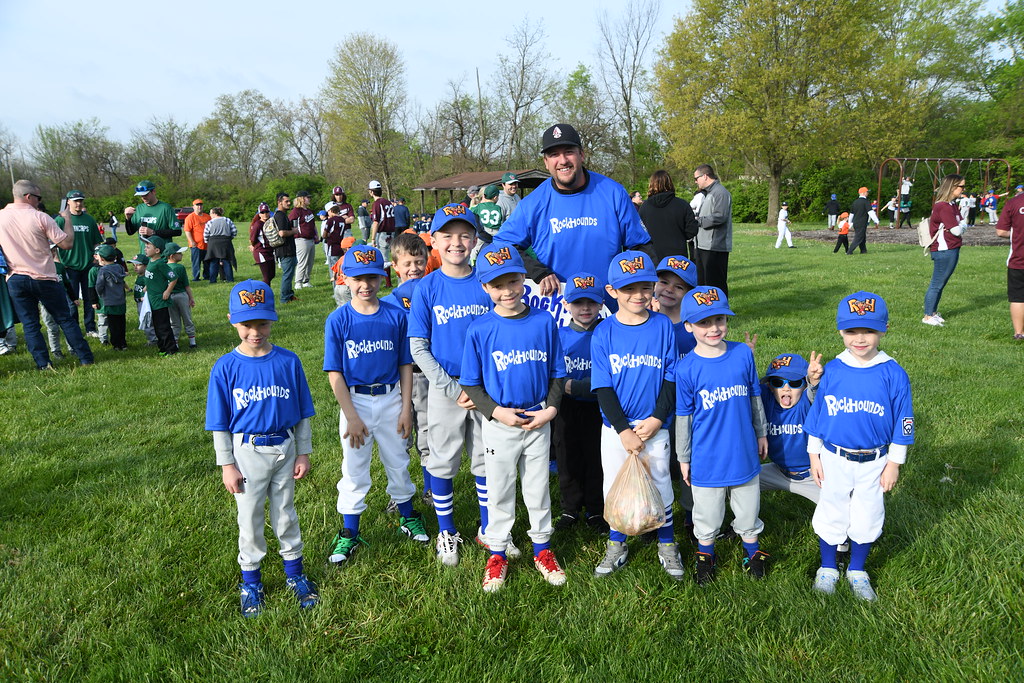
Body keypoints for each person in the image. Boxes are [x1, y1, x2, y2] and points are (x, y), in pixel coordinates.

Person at [205, 278, 319, 617]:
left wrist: (303, 450)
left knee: (285, 512)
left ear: (272, 320)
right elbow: (219, 423)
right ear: (232, 320)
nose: (255, 331)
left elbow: (302, 412)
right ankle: (251, 580)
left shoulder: (288, 361)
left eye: (262, 322)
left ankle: (295, 574)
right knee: (250, 517)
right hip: (247, 451)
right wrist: (226, 463)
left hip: (284, 445)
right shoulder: (226, 367)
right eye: (246, 323)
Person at [460, 243, 567, 592]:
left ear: (525, 279)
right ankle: (498, 552)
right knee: (500, 489)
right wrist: (496, 412)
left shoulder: (542, 321)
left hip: (538, 417)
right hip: (500, 422)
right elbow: (471, 384)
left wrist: (550, 409)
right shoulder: (480, 328)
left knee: (537, 488)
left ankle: (542, 549)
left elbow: (556, 372)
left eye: (513, 281)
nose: (507, 290)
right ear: (485, 288)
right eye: (497, 284)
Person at [324, 245, 429, 566]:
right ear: (345, 279)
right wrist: (351, 416)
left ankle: (407, 516)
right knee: (354, 469)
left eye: (371, 277)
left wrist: (405, 408)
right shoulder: (339, 319)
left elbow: (405, 365)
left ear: (383, 278)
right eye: (357, 278)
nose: (365, 284)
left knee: (398, 460)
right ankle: (348, 531)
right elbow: (335, 373)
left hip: (391, 398)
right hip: (355, 400)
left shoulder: (396, 315)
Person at [804, 291, 914, 601]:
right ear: (840, 330)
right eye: (852, 330)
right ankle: (827, 567)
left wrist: (894, 463)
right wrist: (814, 454)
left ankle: (857, 569)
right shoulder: (834, 370)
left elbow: (903, 422)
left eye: (868, 330)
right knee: (831, 509)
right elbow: (819, 414)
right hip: (834, 455)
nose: (860, 338)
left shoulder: (893, 373)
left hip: (875, 460)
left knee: (867, 515)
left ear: (884, 329)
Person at [407, 204, 494, 567]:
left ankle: (490, 529)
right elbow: (418, 347)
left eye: (464, 234)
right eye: (447, 235)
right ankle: (447, 531)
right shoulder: (426, 287)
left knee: (487, 461)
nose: (456, 242)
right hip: (446, 387)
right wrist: (450, 388)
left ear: (475, 239)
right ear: (433, 241)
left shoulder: (489, 282)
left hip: (487, 387)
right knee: (443, 460)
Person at [590, 250, 682, 580]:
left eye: (645, 287)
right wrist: (623, 430)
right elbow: (602, 387)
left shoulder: (661, 326)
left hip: (654, 425)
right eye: (628, 289)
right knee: (615, 486)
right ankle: (617, 544)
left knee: (660, 484)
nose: (639, 295)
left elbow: (671, 376)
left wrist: (658, 418)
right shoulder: (604, 332)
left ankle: (667, 545)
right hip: (615, 428)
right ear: (612, 291)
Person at [674, 286, 769, 584]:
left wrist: (761, 432)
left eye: (719, 319)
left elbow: (755, 394)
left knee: (747, 506)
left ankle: (751, 551)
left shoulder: (742, 354)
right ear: (688, 326)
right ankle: (706, 555)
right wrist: (684, 456)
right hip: (707, 455)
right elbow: (683, 416)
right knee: (707, 513)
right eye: (703, 322)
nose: (713, 328)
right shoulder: (687, 367)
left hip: (742, 449)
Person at [496, 123, 654, 299]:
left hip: (608, 309)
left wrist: (648, 290)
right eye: (554, 154)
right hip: (559, 310)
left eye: (569, 151)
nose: (563, 160)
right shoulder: (533, 203)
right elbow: (503, 245)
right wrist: (538, 273)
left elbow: (641, 246)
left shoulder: (613, 193)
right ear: (546, 162)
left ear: (582, 155)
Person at [0, 180, 94, 369]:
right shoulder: (40, 217)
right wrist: (66, 218)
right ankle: (85, 358)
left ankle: (43, 364)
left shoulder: (1, 216)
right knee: (64, 318)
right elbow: (66, 244)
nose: (39, 201)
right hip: (44, 277)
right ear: (28, 197)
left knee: (30, 324)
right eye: (38, 197)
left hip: (16, 278)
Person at [551, 272, 607, 533]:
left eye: (591, 303)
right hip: (567, 406)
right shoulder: (558, 335)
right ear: (566, 305)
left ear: (601, 304)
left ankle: (596, 509)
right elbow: (550, 372)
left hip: (599, 406)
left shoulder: (607, 333)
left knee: (597, 457)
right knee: (567, 456)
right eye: (577, 303)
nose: (585, 309)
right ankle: (570, 508)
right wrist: (565, 387)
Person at [380, 232, 433, 506]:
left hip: (425, 378)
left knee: (426, 432)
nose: (414, 268)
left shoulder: (433, 294)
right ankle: (399, 493)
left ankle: (430, 489)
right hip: (398, 378)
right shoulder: (388, 304)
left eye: (419, 261)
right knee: (398, 436)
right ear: (395, 265)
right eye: (408, 263)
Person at [758, 353, 824, 503]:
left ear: (804, 385)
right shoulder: (767, 400)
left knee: (842, 515)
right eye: (777, 382)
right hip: (778, 471)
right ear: (769, 386)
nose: (786, 388)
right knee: (740, 483)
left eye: (794, 383)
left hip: (814, 476)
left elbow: (816, 394)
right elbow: (747, 389)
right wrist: (745, 363)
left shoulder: (807, 403)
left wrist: (814, 380)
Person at [922, 174, 969, 327]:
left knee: (941, 283)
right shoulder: (943, 206)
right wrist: (962, 226)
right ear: (952, 186)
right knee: (937, 283)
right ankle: (928, 316)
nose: (963, 189)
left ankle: (933, 313)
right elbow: (957, 229)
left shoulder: (952, 204)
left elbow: (962, 223)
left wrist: (962, 226)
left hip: (951, 248)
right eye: (961, 186)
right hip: (944, 249)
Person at [56, 190, 103, 338]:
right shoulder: (61, 220)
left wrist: (96, 257)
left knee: (89, 297)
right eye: (75, 200)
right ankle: (74, 328)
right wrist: (59, 262)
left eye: (81, 200)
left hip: (88, 265)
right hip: (69, 266)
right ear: (68, 201)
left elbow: (96, 241)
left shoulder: (89, 220)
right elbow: (53, 243)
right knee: (71, 299)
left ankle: (90, 327)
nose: (78, 203)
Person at [638, 170, 699, 261]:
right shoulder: (682, 205)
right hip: (677, 257)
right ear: (670, 183)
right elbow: (692, 230)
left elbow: (640, 233)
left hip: (653, 257)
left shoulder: (644, 208)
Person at [693, 164, 733, 295]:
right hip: (703, 246)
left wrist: (698, 221)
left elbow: (720, 217)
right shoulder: (708, 193)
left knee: (716, 285)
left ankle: (720, 314)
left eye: (696, 178)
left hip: (714, 247)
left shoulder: (720, 193)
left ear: (705, 176)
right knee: (703, 284)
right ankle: (706, 314)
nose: (695, 181)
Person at [994, 186, 1024, 339]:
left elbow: (1000, 231)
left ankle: (1019, 333)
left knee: (1018, 297)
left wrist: (1016, 234)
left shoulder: (1014, 202)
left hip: (1019, 258)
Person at [142, 236, 179, 356]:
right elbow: (151, 277)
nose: (145, 249)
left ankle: (171, 349)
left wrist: (167, 291)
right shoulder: (150, 262)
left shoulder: (160, 264)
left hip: (160, 301)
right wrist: (147, 286)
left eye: (148, 247)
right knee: (157, 326)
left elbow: (173, 277)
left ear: (157, 250)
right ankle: (162, 347)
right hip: (152, 300)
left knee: (163, 326)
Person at [123, 180, 181, 252]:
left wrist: (153, 232)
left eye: (146, 194)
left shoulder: (166, 208)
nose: (143, 197)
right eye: (141, 195)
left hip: (162, 254)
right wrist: (128, 219)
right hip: (145, 254)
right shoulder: (139, 208)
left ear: (153, 192)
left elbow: (177, 231)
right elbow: (130, 232)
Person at [91, 244, 128, 351]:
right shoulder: (120, 267)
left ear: (101, 259)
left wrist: (100, 294)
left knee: (113, 325)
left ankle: (116, 345)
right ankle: (123, 343)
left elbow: (99, 286)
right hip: (121, 301)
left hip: (109, 301)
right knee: (121, 323)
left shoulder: (103, 271)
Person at [165, 244, 197, 348]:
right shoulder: (180, 267)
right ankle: (192, 342)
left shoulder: (164, 267)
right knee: (187, 318)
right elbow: (186, 286)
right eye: (179, 253)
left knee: (174, 321)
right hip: (182, 296)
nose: (182, 255)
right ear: (172, 256)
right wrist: (191, 298)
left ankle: (176, 342)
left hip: (169, 297)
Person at [272, 193, 298, 303]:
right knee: (287, 275)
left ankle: (289, 295)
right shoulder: (280, 215)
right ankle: (284, 298)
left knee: (289, 274)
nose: (289, 203)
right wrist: (294, 231)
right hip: (285, 250)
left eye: (289, 201)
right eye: (286, 201)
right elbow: (282, 233)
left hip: (288, 249)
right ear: (279, 202)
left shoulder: (282, 215)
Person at [289, 191, 317, 289]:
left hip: (310, 239)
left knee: (310, 261)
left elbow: (312, 225)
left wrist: (316, 235)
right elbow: (292, 225)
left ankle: (306, 280)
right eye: (307, 197)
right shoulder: (296, 211)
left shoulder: (309, 211)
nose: (309, 199)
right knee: (302, 262)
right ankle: (298, 282)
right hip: (301, 239)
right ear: (301, 199)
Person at [127, 254, 157, 345]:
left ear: (146, 266)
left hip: (145, 302)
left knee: (148, 321)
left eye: (138, 265)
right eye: (133, 265)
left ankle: (153, 340)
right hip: (139, 302)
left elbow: (152, 287)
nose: (135, 267)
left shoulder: (146, 277)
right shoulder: (140, 276)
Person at [204, 207, 237, 284]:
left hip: (213, 243)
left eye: (210, 213)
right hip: (225, 242)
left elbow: (206, 234)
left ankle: (212, 280)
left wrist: (207, 242)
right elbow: (234, 231)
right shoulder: (227, 220)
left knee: (213, 262)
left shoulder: (210, 222)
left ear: (214, 213)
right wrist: (229, 238)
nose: (210, 215)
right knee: (227, 261)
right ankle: (230, 279)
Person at [183, 199, 211, 282]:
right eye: (197, 205)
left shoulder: (207, 216)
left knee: (207, 262)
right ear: (193, 207)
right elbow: (187, 231)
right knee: (196, 262)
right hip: (196, 245)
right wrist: (191, 241)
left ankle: (207, 276)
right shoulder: (190, 217)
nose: (199, 207)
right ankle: (196, 277)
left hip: (207, 244)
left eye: (201, 205)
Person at [249, 203, 275, 285]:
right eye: (262, 212)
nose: (265, 214)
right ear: (259, 214)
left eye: (267, 212)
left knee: (272, 275)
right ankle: (263, 294)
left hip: (270, 251)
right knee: (267, 276)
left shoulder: (271, 222)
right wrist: (254, 246)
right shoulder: (257, 224)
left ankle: (263, 292)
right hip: (261, 252)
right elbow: (252, 239)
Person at [847, 187, 870, 255]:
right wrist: (876, 220)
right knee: (859, 237)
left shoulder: (855, 202)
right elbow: (870, 212)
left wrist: (850, 222)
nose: (868, 193)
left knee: (862, 236)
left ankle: (863, 250)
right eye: (867, 192)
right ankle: (850, 251)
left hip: (856, 222)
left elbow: (851, 214)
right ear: (863, 193)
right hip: (862, 222)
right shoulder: (866, 202)